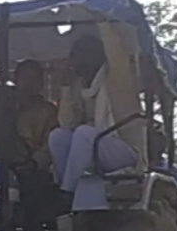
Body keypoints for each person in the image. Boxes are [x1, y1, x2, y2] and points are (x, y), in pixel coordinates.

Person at [47, 32, 143, 194]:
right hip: (92, 146)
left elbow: (116, 52)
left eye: (79, 56)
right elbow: (67, 124)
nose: (74, 62)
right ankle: (67, 187)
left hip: (124, 151)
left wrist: (103, 21)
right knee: (58, 135)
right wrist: (65, 89)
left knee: (85, 132)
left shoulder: (114, 78)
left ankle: (68, 193)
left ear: (96, 56)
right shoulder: (79, 86)